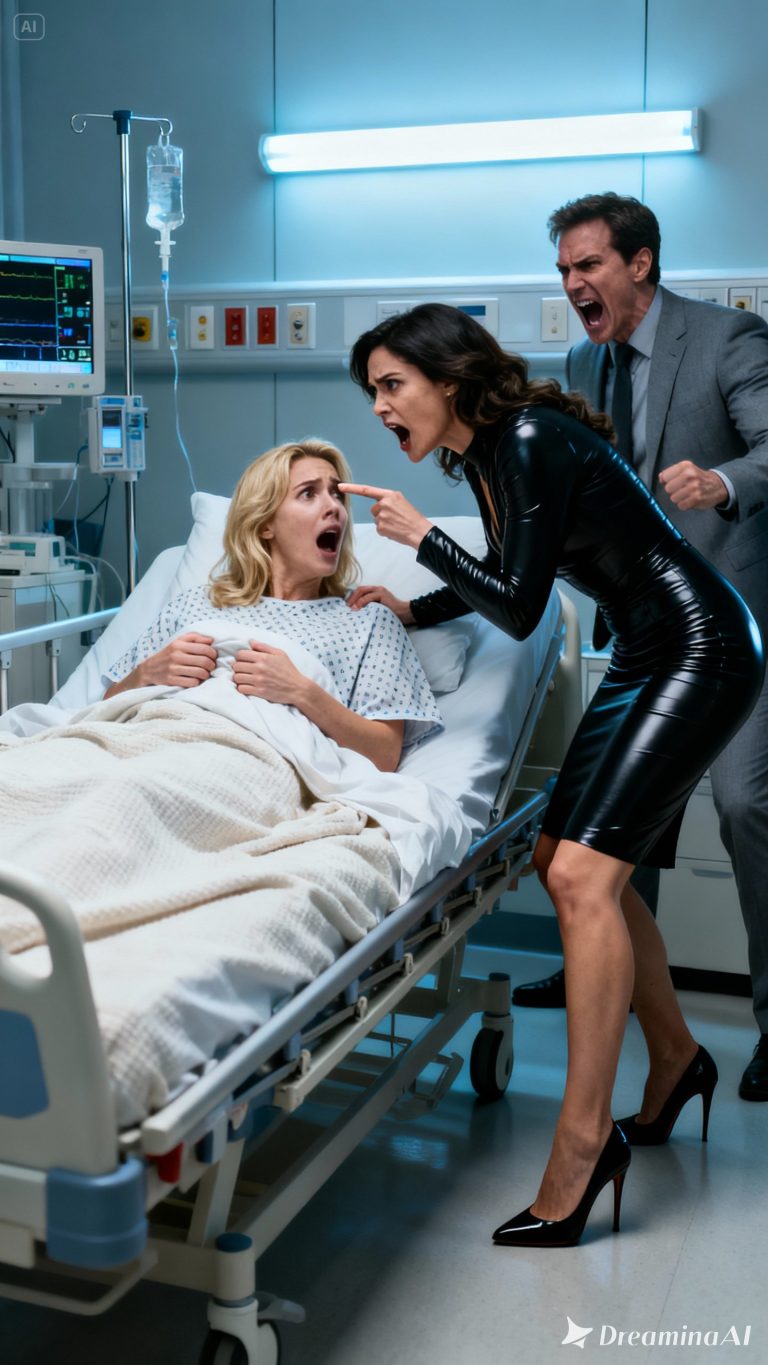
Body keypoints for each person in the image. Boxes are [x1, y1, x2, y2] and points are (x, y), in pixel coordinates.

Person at [340, 302, 763, 1248]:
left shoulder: (528, 438)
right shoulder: (489, 456)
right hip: (651, 654)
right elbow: (507, 572)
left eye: (392, 385)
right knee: (554, 856)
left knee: (582, 876)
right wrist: (418, 609)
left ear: (450, 380)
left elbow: (522, 608)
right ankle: (676, 1058)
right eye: (372, 391)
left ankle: (584, 1141)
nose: (380, 407)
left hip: (700, 648)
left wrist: (420, 537)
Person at [515, 193, 768, 1104]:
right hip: (644, 630)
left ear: (640, 264)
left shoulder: (728, 339)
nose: (572, 284)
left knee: (744, 805)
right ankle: (608, 975)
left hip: (730, 622)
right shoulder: (583, 361)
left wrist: (722, 482)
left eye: (588, 265)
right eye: (563, 270)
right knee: (624, 817)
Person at [103, 438, 441, 771]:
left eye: (337, 494)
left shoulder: (366, 621)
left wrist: (302, 692)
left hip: (249, 767)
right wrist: (146, 674)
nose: (335, 507)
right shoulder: (194, 604)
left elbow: (384, 755)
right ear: (265, 524)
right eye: (308, 493)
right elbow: (105, 710)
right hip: (147, 746)